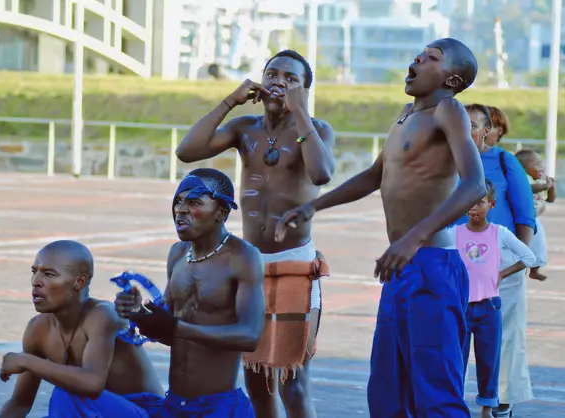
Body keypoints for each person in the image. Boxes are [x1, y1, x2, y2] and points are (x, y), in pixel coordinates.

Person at [276, 38, 485, 417]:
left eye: (432, 57)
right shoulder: (405, 114)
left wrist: (413, 238)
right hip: (400, 269)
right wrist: (312, 206)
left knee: (435, 393)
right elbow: (375, 175)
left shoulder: (448, 111)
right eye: (420, 52)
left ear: (451, 81)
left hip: (432, 267)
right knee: (387, 392)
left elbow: (474, 185)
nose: (418, 57)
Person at [175, 50, 336, 417]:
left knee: (294, 383)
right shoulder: (245, 128)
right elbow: (187, 151)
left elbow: (322, 173)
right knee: (257, 380)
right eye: (272, 74)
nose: (279, 82)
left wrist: (300, 111)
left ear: (305, 91)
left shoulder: (315, 129)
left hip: (294, 263)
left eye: (291, 78)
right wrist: (230, 101)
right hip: (250, 264)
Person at [115, 169, 266, 417]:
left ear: (222, 213)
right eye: (178, 201)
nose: (181, 209)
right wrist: (139, 313)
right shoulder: (177, 254)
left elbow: (249, 336)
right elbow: (168, 332)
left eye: (194, 202)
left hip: (219, 408)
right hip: (174, 405)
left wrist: (174, 327)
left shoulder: (243, 257)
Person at [0, 240, 165, 418]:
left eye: (49, 274)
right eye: (34, 271)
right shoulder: (37, 329)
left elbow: (91, 384)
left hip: (144, 411)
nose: (36, 281)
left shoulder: (102, 316)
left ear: (79, 282)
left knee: (67, 394)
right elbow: (20, 403)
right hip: (92, 412)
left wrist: (26, 361)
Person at [456, 104, 536, 417]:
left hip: (499, 261)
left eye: (475, 124)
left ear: (488, 130)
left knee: (505, 335)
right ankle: (451, 398)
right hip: (456, 260)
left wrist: (517, 263)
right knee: (455, 335)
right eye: (462, 123)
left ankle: (502, 400)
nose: (468, 129)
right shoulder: (448, 160)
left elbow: (525, 214)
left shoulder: (504, 160)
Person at [446, 179, 536, 418]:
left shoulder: (500, 234)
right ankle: (454, 405)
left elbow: (529, 257)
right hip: (460, 308)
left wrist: (503, 273)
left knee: (489, 362)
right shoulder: (454, 234)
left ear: (492, 204)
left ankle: (487, 407)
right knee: (456, 360)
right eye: (470, 203)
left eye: (481, 202)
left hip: (489, 308)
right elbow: (435, 253)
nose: (475, 208)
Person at [515, 149, 556, 281]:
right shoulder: (522, 178)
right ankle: (522, 267)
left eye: (542, 163)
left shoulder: (541, 181)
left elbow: (550, 200)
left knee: (539, 244)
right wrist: (544, 187)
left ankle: (535, 269)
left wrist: (551, 187)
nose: (542, 167)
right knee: (522, 245)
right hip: (522, 218)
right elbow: (528, 189)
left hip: (535, 218)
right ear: (523, 167)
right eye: (537, 164)